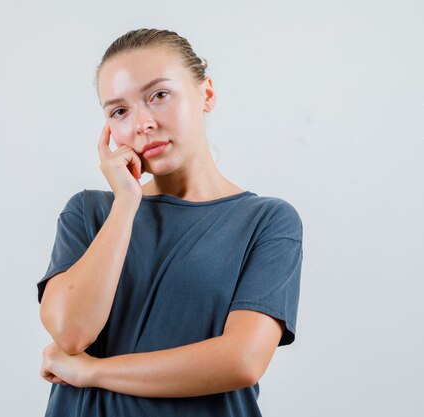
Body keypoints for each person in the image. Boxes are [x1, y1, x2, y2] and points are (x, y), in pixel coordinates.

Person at [36, 28, 304, 417]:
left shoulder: (266, 221)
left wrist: (92, 372)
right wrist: (126, 203)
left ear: (206, 94)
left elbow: (242, 360)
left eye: (159, 95)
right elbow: (71, 331)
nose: (142, 123)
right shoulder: (89, 213)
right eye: (119, 111)